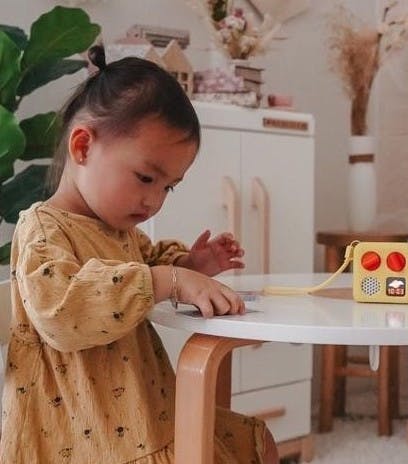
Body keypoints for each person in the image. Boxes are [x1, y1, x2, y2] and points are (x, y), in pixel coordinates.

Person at [0, 46, 279, 464]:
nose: (154, 200)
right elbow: (62, 312)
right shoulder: (43, 229)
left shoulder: (120, 231)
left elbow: (148, 271)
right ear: (82, 147)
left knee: (254, 442)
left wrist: (190, 267)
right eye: (146, 177)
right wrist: (170, 280)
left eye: (169, 186)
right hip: (85, 439)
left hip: (147, 416)